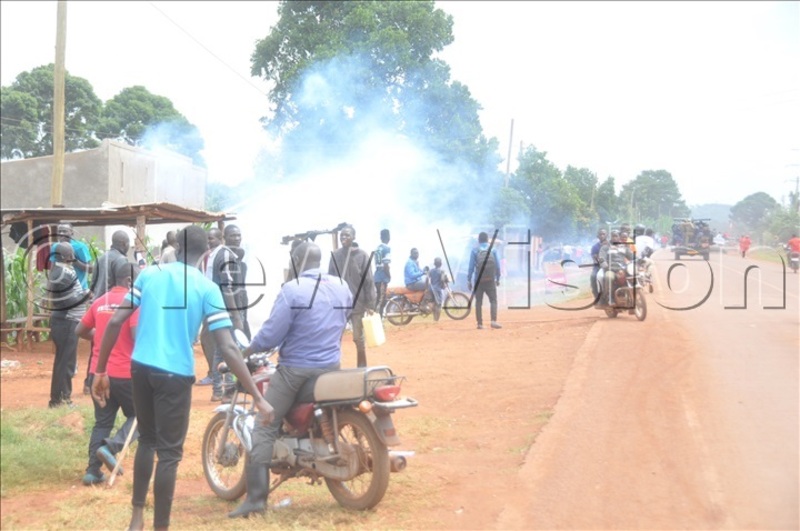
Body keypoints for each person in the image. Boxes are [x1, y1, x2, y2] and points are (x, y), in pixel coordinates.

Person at [91, 224, 272, 531]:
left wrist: (100, 370)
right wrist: (256, 394)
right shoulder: (206, 287)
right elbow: (227, 345)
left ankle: (137, 518)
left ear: (177, 247)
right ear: (205, 254)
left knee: (147, 441)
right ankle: (160, 526)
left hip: (140, 367)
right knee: (170, 455)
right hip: (175, 374)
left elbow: (115, 323)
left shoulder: (149, 275)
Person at [230, 241, 352, 518]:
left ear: (296, 260)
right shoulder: (341, 285)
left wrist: (247, 350)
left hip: (296, 370)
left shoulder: (292, 289)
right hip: (332, 366)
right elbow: (343, 318)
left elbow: (271, 335)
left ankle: (256, 500)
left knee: (265, 424)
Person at [75, 261, 140, 486]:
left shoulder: (99, 302)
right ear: (130, 280)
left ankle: (92, 471)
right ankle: (111, 447)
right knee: (143, 415)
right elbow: (134, 334)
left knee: (102, 422)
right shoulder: (133, 303)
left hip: (98, 374)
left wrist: (99, 335)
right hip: (126, 374)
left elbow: (80, 330)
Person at [44, 242, 90, 408]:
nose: (73, 258)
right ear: (65, 257)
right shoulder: (61, 272)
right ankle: (62, 400)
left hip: (66, 322)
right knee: (66, 363)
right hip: (66, 322)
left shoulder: (61, 270)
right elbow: (66, 302)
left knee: (63, 361)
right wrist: (86, 296)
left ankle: (57, 400)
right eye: (71, 255)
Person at [201, 227, 244, 399]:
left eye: (211, 239)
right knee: (230, 348)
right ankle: (227, 390)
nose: (208, 242)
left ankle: (219, 390)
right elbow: (228, 287)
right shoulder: (223, 255)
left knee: (220, 349)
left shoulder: (215, 255)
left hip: (217, 308)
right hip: (224, 309)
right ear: (224, 238)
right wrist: (235, 315)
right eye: (208, 239)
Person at [328, 224, 376, 368]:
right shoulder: (335, 256)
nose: (344, 237)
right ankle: (333, 367)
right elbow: (329, 279)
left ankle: (362, 368)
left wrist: (371, 304)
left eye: (347, 235)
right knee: (334, 338)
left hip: (358, 303)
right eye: (342, 235)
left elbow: (368, 280)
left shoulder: (362, 255)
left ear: (354, 237)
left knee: (358, 338)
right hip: (339, 305)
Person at [467, 232, 502, 330]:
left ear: (478, 240)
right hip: (490, 280)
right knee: (493, 300)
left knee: (478, 302)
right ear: (487, 240)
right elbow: (498, 266)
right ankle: (493, 321)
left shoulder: (474, 250)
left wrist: (469, 280)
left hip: (478, 280)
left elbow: (470, 267)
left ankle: (479, 323)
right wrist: (498, 278)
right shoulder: (493, 250)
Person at [597, 230, 634, 306]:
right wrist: (605, 265)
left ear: (619, 237)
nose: (614, 238)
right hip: (611, 269)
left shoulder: (624, 247)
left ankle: (631, 296)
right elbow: (601, 258)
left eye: (616, 236)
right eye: (613, 236)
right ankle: (610, 297)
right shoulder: (605, 247)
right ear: (610, 237)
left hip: (623, 269)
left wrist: (639, 259)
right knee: (609, 277)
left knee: (633, 276)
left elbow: (632, 256)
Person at [54, 223, 94, 289]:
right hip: (61, 290)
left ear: (71, 233)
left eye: (64, 231)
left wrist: (74, 260)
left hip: (79, 290)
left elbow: (90, 269)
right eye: (59, 231)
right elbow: (53, 268)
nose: (61, 233)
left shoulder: (80, 247)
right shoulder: (55, 247)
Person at [373, 229, 392, 315]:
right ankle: (378, 319)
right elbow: (385, 265)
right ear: (388, 237)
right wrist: (389, 275)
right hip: (382, 277)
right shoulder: (386, 248)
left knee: (378, 299)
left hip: (376, 276)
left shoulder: (377, 248)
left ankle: (377, 318)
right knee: (381, 300)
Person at [590, 228, 608, 305]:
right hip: (598, 267)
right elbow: (595, 258)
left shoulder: (611, 245)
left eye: (603, 234)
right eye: (600, 234)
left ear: (607, 235)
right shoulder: (595, 247)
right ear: (598, 236)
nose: (602, 236)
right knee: (593, 276)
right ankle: (597, 298)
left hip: (611, 265)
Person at [428, 257, 445, 322]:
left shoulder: (431, 270)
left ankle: (434, 318)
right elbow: (442, 279)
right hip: (437, 289)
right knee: (439, 304)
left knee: (434, 303)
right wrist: (443, 286)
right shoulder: (441, 271)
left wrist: (427, 288)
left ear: (434, 263)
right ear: (440, 264)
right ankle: (436, 319)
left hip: (431, 289)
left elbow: (427, 279)